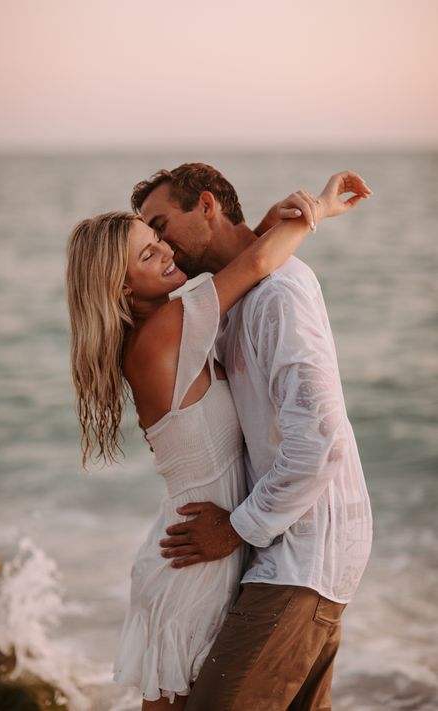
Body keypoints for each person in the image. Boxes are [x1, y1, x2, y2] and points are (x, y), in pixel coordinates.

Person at [131, 163, 374, 711]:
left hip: (300, 557)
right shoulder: (229, 304)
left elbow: (320, 438)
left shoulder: (277, 294)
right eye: (149, 241)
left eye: (163, 224)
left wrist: (236, 529)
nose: (162, 244)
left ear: (208, 205)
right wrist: (289, 220)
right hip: (283, 554)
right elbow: (253, 259)